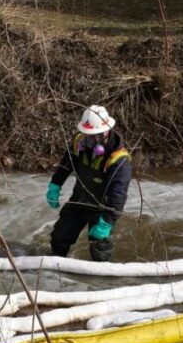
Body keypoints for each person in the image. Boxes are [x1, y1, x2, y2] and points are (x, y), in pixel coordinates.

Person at [45, 105, 132, 262]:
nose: (91, 140)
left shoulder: (119, 160)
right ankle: (55, 270)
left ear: (106, 132)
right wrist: (55, 185)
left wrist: (107, 222)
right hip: (79, 200)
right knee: (59, 237)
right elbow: (66, 164)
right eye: (88, 135)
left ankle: (100, 281)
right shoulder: (80, 143)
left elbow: (118, 195)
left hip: (102, 209)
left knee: (100, 250)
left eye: (95, 136)